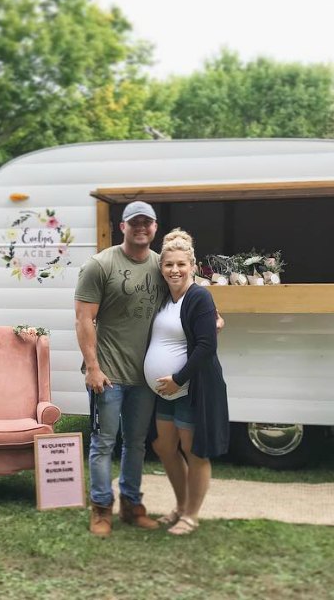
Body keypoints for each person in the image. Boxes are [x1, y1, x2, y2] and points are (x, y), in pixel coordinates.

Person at [74, 201, 165, 537]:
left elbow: (189, 293)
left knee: (137, 442)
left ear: (155, 227)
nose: (141, 227)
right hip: (108, 374)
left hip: (145, 376)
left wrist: (211, 315)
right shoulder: (100, 265)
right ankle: (100, 508)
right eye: (134, 222)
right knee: (103, 442)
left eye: (147, 222)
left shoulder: (161, 265)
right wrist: (93, 368)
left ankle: (131, 505)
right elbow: (84, 319)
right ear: (121, 227)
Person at [144, 229, 229, 535]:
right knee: (164, 446)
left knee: (195, 451)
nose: (175, 270)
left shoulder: (199, 297)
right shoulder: (165, 298)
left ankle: (191, 514)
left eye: (181, 264)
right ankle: (180, 506)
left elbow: (207, 347)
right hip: (166, 391)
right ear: (161, 267)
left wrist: (178, 379)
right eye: (168, 265)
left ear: (192, 264)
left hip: (191, 388)